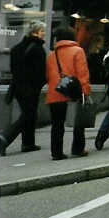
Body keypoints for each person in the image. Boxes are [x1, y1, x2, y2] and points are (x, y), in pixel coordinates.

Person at [0, 21, 48, 155]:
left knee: (29, 114)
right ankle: (3, 139)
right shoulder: (38, 48)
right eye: (42, 31)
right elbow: (40, 72)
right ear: (35, 32)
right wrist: (39, 85)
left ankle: (28, 143)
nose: (44, 33)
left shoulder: (16, 48)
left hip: (17, 88)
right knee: (28, 115)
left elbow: (14, 70)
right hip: (31, 88)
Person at [46, 26, 92, 160]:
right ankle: (77, 149)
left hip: (55, 92)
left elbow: (48, 76)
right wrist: (85, 92)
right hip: (73, 92)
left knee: (57, 125)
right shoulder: (78, 51)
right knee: (78, 122)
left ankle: (56, 152)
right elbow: (82, 73)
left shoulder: (52, 54)